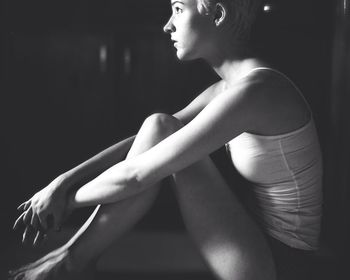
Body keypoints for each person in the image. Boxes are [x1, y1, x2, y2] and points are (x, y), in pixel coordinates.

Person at [9, 0, 323, 279]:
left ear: (217, 14)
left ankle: (69, 263)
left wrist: (67, 201)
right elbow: (145, 140)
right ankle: (71, 260)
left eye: (177, 9)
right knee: (160, 126)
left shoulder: (256, 91)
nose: (167, 24)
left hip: (281, 265)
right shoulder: (231, 89)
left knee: (161, 134)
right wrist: (62, 183)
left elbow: (137, 174)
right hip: (252, 240)